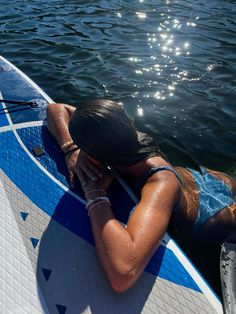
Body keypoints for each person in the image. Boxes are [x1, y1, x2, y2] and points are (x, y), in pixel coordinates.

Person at [46, 99, 236, 292]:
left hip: (217, 218)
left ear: (94, 157)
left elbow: (123, 272)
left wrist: (95, 193)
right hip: (209, 180)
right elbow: (56, 108)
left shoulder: (160, 184)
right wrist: (71, 148)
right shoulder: (121, 135)